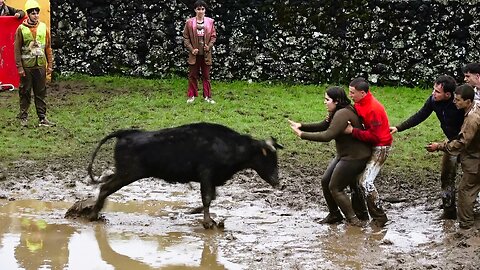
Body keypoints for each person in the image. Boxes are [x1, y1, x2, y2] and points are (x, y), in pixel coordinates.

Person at [289, 86, 372, 227]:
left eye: (327, 100)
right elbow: (324, 125)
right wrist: (301, 126)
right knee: (325, 181)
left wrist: (302, 135)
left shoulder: (343, 114)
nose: (324, 102)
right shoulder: (337, 111)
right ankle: (335, 214)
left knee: (335, 187)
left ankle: (354, 221)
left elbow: (327, 135)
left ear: (337, 101)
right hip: (344, 155)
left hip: (355, 157)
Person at [390, 75, 463, 219]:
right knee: (446, 176)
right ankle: (449, 212)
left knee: (470, 178)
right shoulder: (433, 101)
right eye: (433, 90)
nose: (433, 93)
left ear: (448, 95)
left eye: (437, 91)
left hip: (467, 143)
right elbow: (420, 115)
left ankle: (468, 210)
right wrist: (399, 128)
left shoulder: (459, 104)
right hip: (449, 142)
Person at [426, 84, 480, 230]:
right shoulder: (476, 108)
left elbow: (461, 143)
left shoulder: (471, 119)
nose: (454, 102)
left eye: (458, 100)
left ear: (468, 101)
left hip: (476, 160)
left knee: (465, 190)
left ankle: (466, 226)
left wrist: (440, 146)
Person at [345, 77, 393, 227]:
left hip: (380, 147)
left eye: (352, 93)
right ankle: (362, 213)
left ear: (363, 93)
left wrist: (353, 131)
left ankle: (380, 217)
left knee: (366, 182)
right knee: (355, 178)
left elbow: (376, 136)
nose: (350, 95)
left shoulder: (374, 109)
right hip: (368, 145)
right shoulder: (360, 103)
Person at [14, 0, 54, 127]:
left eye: (37, 13)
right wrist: (20, 67)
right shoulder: (21, 29)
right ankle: (23, 117)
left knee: (41, 92)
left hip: (40, 65)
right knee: (25, 92)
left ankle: (42, 118)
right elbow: (17, 49)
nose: (36, 15)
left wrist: (50, 65)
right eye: (33, 13)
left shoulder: (43, 27)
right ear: (28, 14)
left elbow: (48, 47)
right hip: (27, 66)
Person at [183, 0, 217, 104]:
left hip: (206, 54)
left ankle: (207, 96)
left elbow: (213, 36)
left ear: (205, 10)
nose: (200, 11)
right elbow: (185, 37)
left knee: (206, 76)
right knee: (193, 75)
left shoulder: (210, 22)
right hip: (194, 54)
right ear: (195, 10)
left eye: (202, 9)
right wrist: (191, 49)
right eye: (198, 9)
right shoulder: (189, 23)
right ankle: (191, 95)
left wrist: (209, 46)